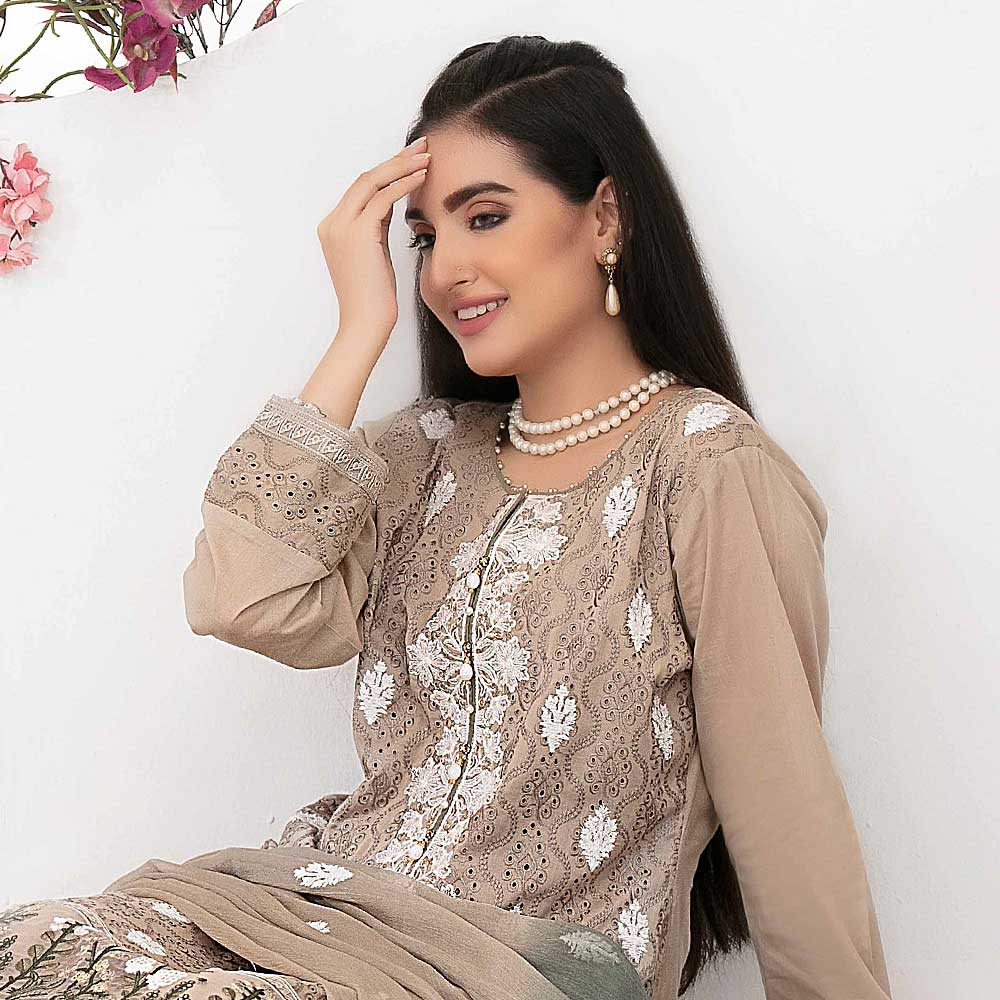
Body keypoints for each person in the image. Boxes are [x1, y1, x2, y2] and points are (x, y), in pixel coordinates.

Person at [2, 35, 893, 1000]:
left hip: (514, 970)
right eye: (426, 237)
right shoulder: (423, 455)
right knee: (36, 952)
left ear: (605, 216)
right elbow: (242, 600)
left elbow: (784, 806)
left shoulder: (707, 469)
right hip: (310, 921)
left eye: (486, 217)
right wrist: (359, 328)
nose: (445, 270)